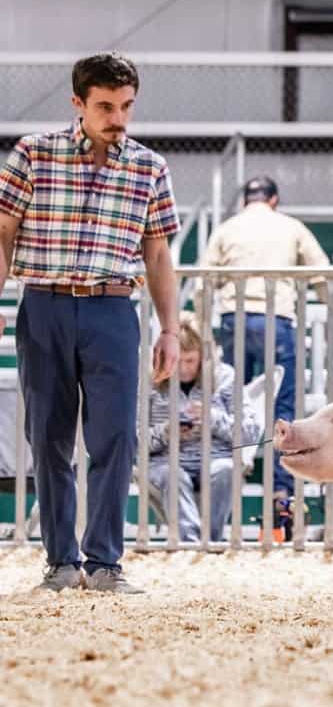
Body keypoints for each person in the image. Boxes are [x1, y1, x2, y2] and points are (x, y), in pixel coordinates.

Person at [0, 52, 181, 593]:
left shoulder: (149, 166)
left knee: (116, 438)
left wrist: (171, 328)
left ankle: (105, 563)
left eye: (126, 106)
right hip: (44, 305)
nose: (117, 117)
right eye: (105, 105)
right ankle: (60, 562)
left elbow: (158, 253)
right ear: (77, 102)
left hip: (112, 308)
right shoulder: (33, 153)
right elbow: (3, 236)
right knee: (49, 437)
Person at [201, 175, 330, 512]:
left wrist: (201, 327)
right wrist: (327, 308)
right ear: (274, 200)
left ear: (247, 200)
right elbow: (321, 271)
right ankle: (280, 490)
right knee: (282, 405)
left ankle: (230, 472)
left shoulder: (227, 228)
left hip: (235, 317)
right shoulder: (290, 226)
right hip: (277, 318)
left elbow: (204, 280)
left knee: (233, 402)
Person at [146, 316, 258, 543]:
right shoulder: (149, 382)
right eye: (178, 361)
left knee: (225, 470)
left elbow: (251, 431)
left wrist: (212, 418)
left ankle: (210, 541)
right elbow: (135, 441)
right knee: (172, 474)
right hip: (166, 461)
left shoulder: (225, 377)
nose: (184, 369)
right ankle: (192, 544)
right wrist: (168, 432)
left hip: (217, 457)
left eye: (190, 361)